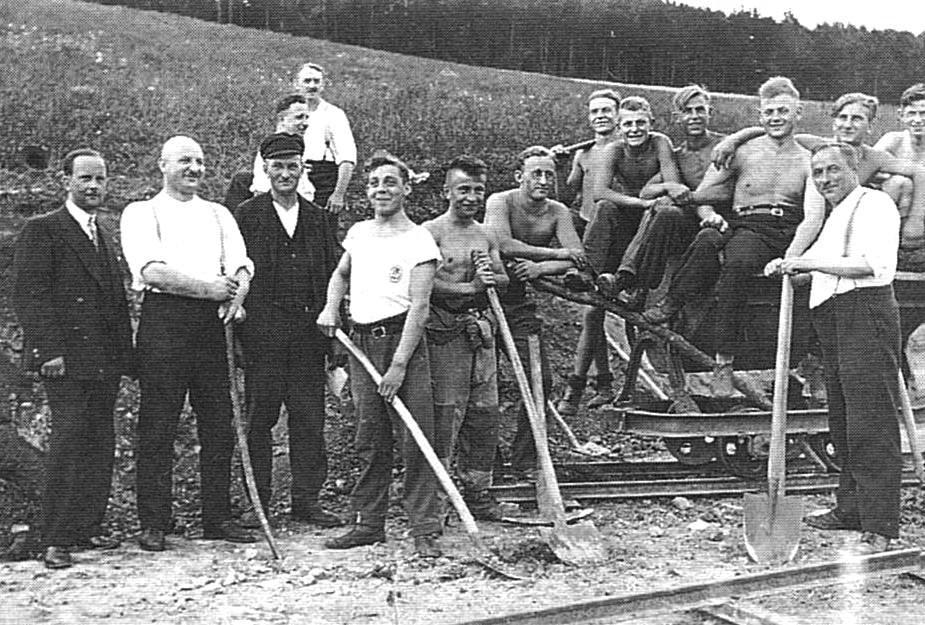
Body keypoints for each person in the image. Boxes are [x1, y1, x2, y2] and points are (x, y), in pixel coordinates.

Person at [643, 76, 825, 396]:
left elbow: (813, 216)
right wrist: (709, 216)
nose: (776, 118)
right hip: (750, 226)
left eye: (784, 111)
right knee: (736, 261)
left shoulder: (809, 159)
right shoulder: (741, 152)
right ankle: (722, 361)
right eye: (769, 112)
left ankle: (814, 359)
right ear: (760, 116)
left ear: (798, 113)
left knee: (812, 275)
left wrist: (792, 257)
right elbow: (703, 194)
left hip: (792, 228)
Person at [121, 135, 257, 551]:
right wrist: (212, 290)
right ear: (162, 165)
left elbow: (241, 263)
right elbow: (152, 271)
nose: (194, 169)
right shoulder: (142, 212)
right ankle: (154, 522)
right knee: (158, 424)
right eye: (184, 161)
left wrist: (238, 293)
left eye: (199, 161)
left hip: (212, 326)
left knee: (218, 424)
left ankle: (216, 517)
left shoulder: (218, 214)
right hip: (165, 323)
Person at [766, 142, 901, 554]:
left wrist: (808, 263)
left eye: (832, 170)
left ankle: (880, 523)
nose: (824, 179)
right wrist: (789, 267)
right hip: (833, 315)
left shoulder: (875, 204)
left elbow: (871, 265)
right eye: (818, 172)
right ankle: (850, 510)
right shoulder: (833, 215)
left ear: (854, 167)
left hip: (865, 311)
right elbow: (822, 268)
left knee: (870, 419)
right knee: (842, 418)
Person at [316, 150, 443, 557]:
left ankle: (424, 526)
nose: (381, 189)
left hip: (402, 343)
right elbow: (340, 274)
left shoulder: (419, 239)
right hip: (361, 344)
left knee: (415, 437)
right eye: (373, 183)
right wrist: (331, 307)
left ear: (406, 188)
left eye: (390, 182)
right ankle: (368, 523)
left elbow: (421, 306)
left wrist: (399, 366)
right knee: (369, 437)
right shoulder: (359, 232)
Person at [13, 148, 134, 569]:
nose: (93, 186)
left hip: (103, 358)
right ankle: (55, 538)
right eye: (84, 178)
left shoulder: (102, 232)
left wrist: (126, 357)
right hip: (66, 359)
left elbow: (114, 301)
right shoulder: (42, 229)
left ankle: (88, 526)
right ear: (66, 180)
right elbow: (30, 296)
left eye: (100, 179)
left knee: (100, 441)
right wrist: (49, 351)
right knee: (68, 442)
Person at [233, 133, 343, 527]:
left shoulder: (317, 219)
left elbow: (333, 277)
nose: (284, 173)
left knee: (309, 418)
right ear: (265, 169)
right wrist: (241, 336)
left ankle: (307, 500)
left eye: (292, 166)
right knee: (259, 419)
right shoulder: (246, 215)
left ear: (302, 169)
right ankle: (257, 501)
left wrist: (332, 336)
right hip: (263, 335)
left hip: (308, 335)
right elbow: (234, 272)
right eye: (277, 166)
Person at [557, 96, 682, 414]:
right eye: (628, 123)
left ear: (650, 123)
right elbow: (592, 193)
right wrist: (642, 200)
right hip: (613, 231)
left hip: (647, 231)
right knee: (606, 208)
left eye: (640, 122)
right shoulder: (597, 153)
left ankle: (626, 276)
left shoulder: (658, 144)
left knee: (660, 209)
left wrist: (652, 191)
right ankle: (586, 387)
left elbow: (674, 183)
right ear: (619, 125)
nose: (634, 128)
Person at [484, 145, 585, 478]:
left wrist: (540, 270)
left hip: (517, 301)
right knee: (481, 385)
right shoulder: (501, 201)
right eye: (536, 174)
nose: (543, 180)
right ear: (520, 177)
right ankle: (486, 465)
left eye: (549, 175)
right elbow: (503, 244)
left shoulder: (557, 211)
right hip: (481, 298)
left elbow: (577, 258)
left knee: (539, 379)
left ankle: (526, 460)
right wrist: (550, 254)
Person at [713, 91, 925, 248]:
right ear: (834, 123)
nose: (848, 124)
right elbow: (774, 129)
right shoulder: (813, 144)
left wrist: (915, 221)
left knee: (899, 183)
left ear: (870, 126)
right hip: (810, 222)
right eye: (842, 118)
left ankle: (887, 245)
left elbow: (919, 171)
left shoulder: (875, 157)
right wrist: (734, 139)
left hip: (851, 226)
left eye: (857, 119)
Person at [422, 155, 509, 521]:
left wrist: (490, 274)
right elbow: (424, 283)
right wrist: (468, 285)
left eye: (478, 190)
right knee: (447, 415)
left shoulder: (485, 233)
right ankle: (440, 497)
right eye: (463, 189)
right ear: (446, 192)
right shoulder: (430, 232)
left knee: (484, 414)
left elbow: (502, 279)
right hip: (445, 333)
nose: (471, 197)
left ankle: (479, 492)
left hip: (483, 332)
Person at [600, 84, 730, 304]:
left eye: (700, 110)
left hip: (722, 221)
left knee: (670, 209)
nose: (694, 116)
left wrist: (692, 197)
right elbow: (647, 191)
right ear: (678, 117)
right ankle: (634, 283)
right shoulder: (677, 155)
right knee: (665, 210)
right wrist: (668, 187)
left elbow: (731, 189)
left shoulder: (726, 146)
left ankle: (635, 285)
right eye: (687, 111)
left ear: (710, 112)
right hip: (688, 224)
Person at [550, 89, 622, 415]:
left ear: (618, 114)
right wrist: (559, 165)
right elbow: (565, 195)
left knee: (595, 312)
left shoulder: (627, 149)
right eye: (595, 111)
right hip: (589, 235)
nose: (601, 116)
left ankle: (581, 387)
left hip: (619, 238)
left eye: (607, 110)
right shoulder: (584, 154)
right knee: (593, 312)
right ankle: (597, 385)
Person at [293, 62, 357, 212]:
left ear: (323, 85)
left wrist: (338, 194)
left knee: (319, 228)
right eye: (307, 81)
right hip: (292, 171)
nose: (312, 86)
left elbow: (347, 158)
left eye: (316, 81)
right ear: (296, 84)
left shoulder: (334, 114)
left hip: (322, 177)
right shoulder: (289, 112)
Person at [874, 83, 925, 249]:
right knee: (899, 182)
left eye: (923, 113)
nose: (917, 120)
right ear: (901, 115)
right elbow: (867, 169)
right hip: (897, 210)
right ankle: (882, 243)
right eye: (912, 113)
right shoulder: (893, 140)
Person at [247, 94, 314, 201]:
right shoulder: (271, 148)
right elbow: (261, 190)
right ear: (282, 119)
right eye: (299, 117)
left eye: (307, 117)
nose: (305, 123)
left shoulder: (302, 145)